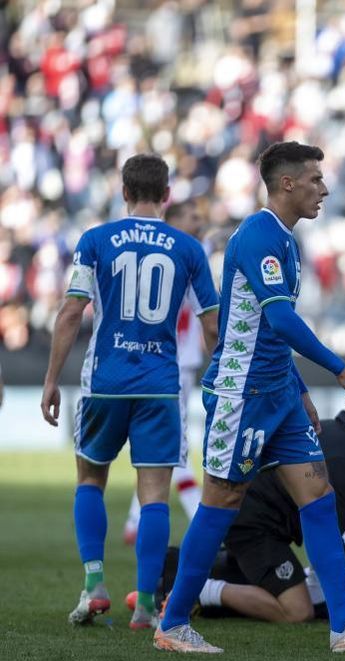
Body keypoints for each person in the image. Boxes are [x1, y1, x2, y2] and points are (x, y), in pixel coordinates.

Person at [153, 141, 345, 654]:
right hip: (241, 394)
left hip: (279, 394)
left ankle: (344, 626)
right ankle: (173, 622)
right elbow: (281, 320)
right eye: (315, 179)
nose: (325, 189)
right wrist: (338, 368)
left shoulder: (288, 241)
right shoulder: (258, 236)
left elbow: (269, 331)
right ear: (287, 183)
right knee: (221, 501)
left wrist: (296, 390)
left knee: (319, 497)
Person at [40, 154, 220, 630]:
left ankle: (95, 583)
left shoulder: (96, 240)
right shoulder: (188, 248)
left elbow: (72, 312)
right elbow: (212, 325)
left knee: (90, 479)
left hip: (106, 381)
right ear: (166, 195)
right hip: (161, 385)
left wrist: (52, 378)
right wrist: (220, 381)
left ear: (124, 191)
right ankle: (144, 605)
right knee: (155, 493)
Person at [138, 403, 345, 623]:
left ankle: (175, 568)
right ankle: (194, 589)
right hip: (253, 521)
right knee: (296, 611)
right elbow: (328, 539)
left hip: (263, 515)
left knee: (265, 580)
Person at [124, 200, 207, 545]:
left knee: (157, 442)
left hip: (157, 362)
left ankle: (134, 519)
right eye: (192, 215)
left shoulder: (160, 256)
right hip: (175, 363)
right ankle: (203, 517)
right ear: (172, 221)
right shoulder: (188, 256)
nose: (198, 220)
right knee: (174, 446)